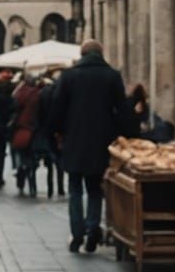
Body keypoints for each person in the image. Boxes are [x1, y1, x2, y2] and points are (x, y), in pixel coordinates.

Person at [49, 39, 135, 254]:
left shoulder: (69, 76)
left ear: (82, 53)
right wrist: (127, 135)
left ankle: (77, 233)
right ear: (101, 53)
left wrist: (57, 132)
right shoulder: (112, 76)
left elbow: (57, 109)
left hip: (74, 141)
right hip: (101, 141)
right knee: (95, 188)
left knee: (75, 187)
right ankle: (92, 228)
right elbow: (122, 109)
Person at [10, 73, 43, 196]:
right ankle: (32, 184)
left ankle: (21, 179)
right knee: (32, 158)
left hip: (21, 130)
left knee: (21, 157)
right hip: (35, 130)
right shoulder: (38, 94)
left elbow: (13, 106)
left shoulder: (20, 93)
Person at [35, 73, 61, 199]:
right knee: (59, 161)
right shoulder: (61, 93)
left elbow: (39, 114)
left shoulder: (42, 93)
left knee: (49, 162)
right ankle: (60, 188)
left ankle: (50, 189)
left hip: (46, 130)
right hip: (59, 131)